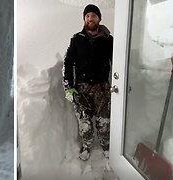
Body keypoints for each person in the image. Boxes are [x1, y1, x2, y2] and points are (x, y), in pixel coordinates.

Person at [62, 4, 113, 161]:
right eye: (87, 16)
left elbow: (118, 61)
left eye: (93, 16)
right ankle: (86, 145)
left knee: (104, 121)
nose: (90, 18)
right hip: (82, 89)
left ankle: (106, 145)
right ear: (84, 19)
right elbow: (68, 63)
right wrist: (68, 87)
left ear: (99, 19)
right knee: (84, 122)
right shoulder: (77, 39)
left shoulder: (108, 40)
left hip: (102, 88)